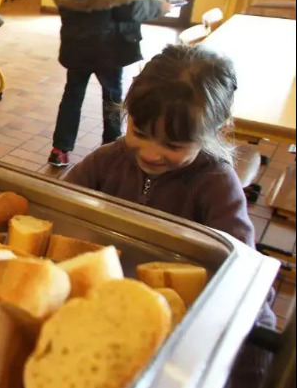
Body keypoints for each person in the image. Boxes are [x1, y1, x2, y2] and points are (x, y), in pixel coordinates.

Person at [64, 44, 275, 387]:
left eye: (173, 146)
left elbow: (243, 279)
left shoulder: (216, 184)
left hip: (185, 329)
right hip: (113, 309)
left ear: (214, 130)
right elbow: (62, 204)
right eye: (140, 133)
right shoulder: (108, 160)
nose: (151, 154)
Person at [47, 0, 171, 166]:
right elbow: (130, 11)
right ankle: (113, 148)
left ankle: (59, 150)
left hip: (75, 45)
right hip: (108, 48)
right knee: (112, 97)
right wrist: (160, 6)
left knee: (72, 96)